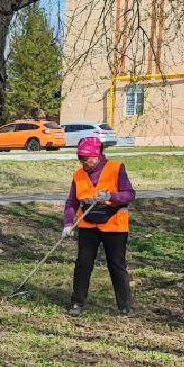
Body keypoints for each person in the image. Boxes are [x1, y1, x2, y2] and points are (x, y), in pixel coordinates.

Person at [63, 136, 135, 317]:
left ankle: (125, 306)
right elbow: (72, 202)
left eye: (85, 158)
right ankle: (77, 303)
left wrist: (111, 196)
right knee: (83, 263)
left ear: (97, 155)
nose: (83, 162)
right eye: (80, 158)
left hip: (114, 225)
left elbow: (129, 194)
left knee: (116, 265)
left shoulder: (116, 168)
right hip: (88, 225)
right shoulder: (78, 175)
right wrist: (68, 223)